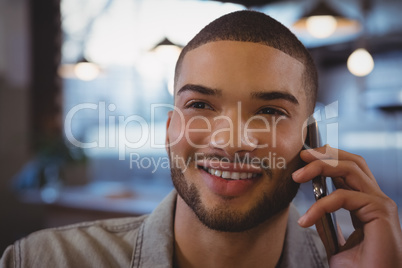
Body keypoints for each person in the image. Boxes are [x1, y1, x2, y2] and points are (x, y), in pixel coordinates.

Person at [1, 10, 402, 268]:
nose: (230, 142)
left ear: (311, 139)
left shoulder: (360, 262)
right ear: (169, 130)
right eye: (201, 105)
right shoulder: (41, 261)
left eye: (270, 112)